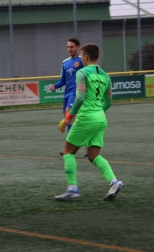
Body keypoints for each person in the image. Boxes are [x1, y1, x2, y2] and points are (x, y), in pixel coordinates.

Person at [55, 43, 124, 201]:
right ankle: (114, 182)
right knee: (93, 156)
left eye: (81, 55)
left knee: (68, 152)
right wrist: (97, 112)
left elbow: (79, 98)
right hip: (101, 119)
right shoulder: (106, 76)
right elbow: (109, 102)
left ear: (85, 56)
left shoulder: (82, 73)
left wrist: (68, 117)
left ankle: (72, 189)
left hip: (86, 118)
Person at [49, 38, 87, 157]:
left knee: (68, 115)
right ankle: (85, 144)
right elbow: (63, 80)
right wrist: (55, 86)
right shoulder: (65, 62)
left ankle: (69, 149)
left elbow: (89, 74)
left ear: (78, 47)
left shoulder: (83, 60)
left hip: (77, 93)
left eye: (72, 47)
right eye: (68, 47)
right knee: (71, 121)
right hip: (67, 94)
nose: (69, 49)